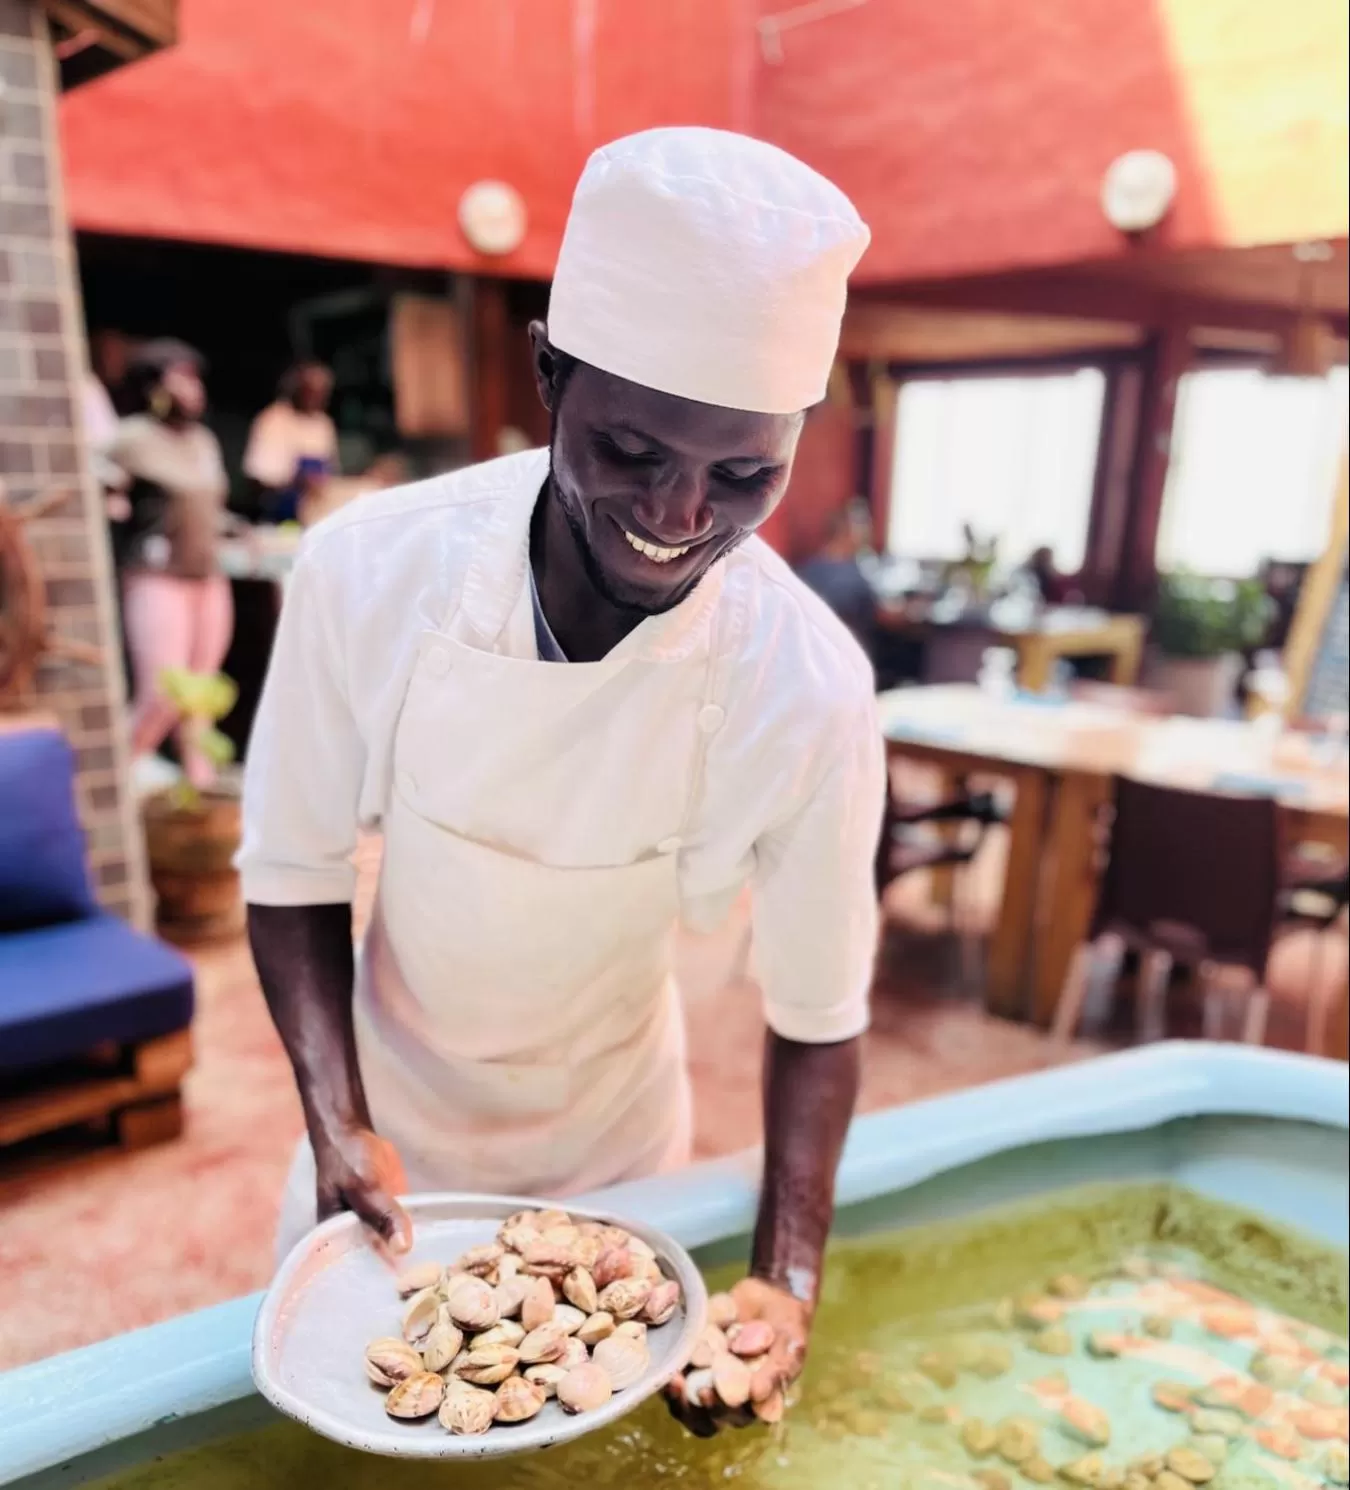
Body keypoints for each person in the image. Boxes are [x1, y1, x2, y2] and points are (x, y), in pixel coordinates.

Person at [240, 128, 881, 1434]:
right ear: (549, 370)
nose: (680, 514)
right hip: (389, 1117)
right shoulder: (367, 572)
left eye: (743, 474)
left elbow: (818, 1009)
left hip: (618, 1153)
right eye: (636, 451)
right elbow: (292, 866)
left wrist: (784, 1273)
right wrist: (336, 1123)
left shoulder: (803, 682)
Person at [110, 340, 236, 787]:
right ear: (152, 387)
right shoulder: (130, 439)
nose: (192, 389)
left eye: (194, 378)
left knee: (201, 696)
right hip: (157, 576)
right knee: (162, 695)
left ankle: (198, 794)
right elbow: (98, 482)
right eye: (180, 378)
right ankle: (113, 787)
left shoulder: (203, 440)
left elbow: (210, 502)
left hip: (208, 574)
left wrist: (236, 532)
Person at [243, 360, 339, 523]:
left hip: (316, 513)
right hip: (279, 513)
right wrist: (300, 482)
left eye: (321, 393)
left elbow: (330, 474)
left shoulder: (324, 424)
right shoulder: (273, 419)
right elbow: (259, 480)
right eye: (310, 391)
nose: (315, 398)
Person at [795, 499, 879, 648]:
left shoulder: (854, 563)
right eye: (862, 524)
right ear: (846, 528)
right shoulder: (818, 571)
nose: (868, 530)